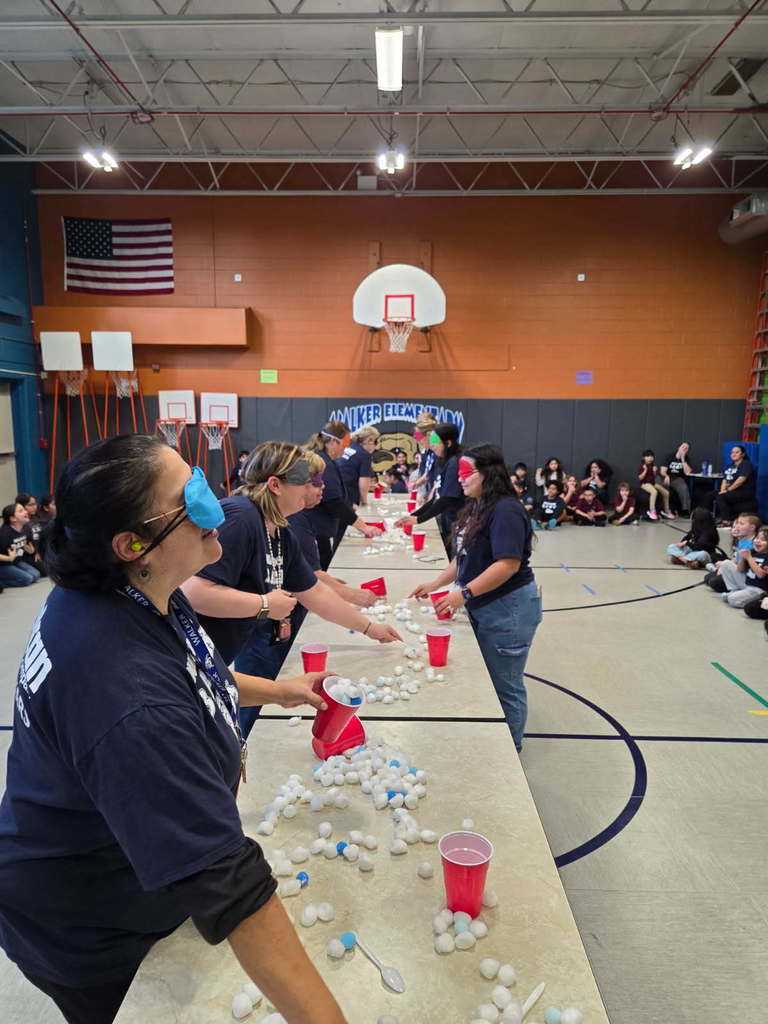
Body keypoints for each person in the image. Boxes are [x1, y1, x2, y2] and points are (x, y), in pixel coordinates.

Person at [0, 434, 347, 1024]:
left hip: (129, 865)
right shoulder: (125, 691)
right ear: (133, 544)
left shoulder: (134, 591)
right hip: (88, 924)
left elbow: (190, 671)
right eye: (189, 498)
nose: (214, 505)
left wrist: (280, 690)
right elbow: (233, 887)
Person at [180, 442, 400, 735]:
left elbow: (314, 592)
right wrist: (264, 605)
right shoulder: (241, 516)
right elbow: (192, 591)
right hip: (187, 662)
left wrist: (370, 628)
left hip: (219, 655)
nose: (314, 488)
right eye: (307, 482)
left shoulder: (279, 530)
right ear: (276, 485)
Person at [409, 445, 541, 753]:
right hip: (485, 603)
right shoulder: (478, 504)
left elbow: (507, 564)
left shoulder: (506, 510)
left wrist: (464, 593)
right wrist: (435, 583)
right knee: (489, 679)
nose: (461, 479)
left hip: (509, 608)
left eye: (467, 473)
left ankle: (510, 750)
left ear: (487, 474)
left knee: (505, 684)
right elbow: (464, 555)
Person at [302, 421, 381, 570]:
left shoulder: (326, 459)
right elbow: (333, 502)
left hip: (315, 526)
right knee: (320, 569)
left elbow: (333, 495)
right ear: (332, 441)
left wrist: (349, 505)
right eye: (345, 443)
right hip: (312, 527)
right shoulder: (322, 462)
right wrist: (364, 527)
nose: (346, 447)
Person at [394, 423, 464, 549]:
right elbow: (437, 497)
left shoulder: (454, 462)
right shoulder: (445, 460)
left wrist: (418, 519)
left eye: (435, 441)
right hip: (450, 516)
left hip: (460, 519)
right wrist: (414, 516)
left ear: (448, 443)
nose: (432, 445)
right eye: (431, 441)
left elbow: (446, 499)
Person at [704, 513, 761, 592]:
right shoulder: (742, 539)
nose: (737, 526)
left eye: (741, 524)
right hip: (736, 568)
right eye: (738, 523)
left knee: (714, 582)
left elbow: (744, 568)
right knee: (707, 578)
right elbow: (736, 557)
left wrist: (726, 567)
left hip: (744, 575)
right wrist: (724, 566)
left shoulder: (755, 545)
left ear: (752, 527)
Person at [715, 526, 768, 607]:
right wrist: (743, 558)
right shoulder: (752, 552)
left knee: (732, 599)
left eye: (763, 540)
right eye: (757, 538)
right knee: (726, 563)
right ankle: (735, 590)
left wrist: (749, 558)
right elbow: (740, 569)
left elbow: (761, 575)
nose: (757, 541)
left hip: (758, 589)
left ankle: (758, 600)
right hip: (747, 582)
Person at [335, 425, 379, 512]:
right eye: (375, 442)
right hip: (348, 496)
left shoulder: (348, 447)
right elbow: (363, 481)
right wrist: (364, 502)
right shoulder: (365, 455)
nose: (376, 446)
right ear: (369, 440)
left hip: (337, 492)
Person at [0, 502, 40, 588]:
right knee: (27, 579)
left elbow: (29, 546)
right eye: (21, 511)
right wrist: (8, 558)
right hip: (3, 565)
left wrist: (31, 551)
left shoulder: (26, 527)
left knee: (36, 575)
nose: (26, 512)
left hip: (16, 561)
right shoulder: (4, 533)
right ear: (13, 518)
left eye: (24, 509)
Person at [715, 444, 757, 525]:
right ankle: (708, 517)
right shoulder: (729, 466)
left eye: (737, 452)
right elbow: (725, 479)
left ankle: (726, 521)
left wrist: (727, 490)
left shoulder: (746, 464)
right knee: (711, 495)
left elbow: (741, 480)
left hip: (743, 492)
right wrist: (722, 490)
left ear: (743, 454)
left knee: (721, 497)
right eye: (732, 452)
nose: (733, 454)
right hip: (731, 491)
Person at [409, 413, 438, 501]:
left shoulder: (436, 442)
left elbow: (434, 444)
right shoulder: (426, 447)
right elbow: (427, 473)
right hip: (427, 480)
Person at [637, 449, 673, 520]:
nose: (650, 458)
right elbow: (640, 478)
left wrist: (654, 472)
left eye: (651, 456)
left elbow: (652, 477)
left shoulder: (652, 465)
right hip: (644, 484)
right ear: (644, 458)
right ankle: (652, 511)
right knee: (654, 492)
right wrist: (645, 470)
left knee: (666, 492)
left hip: (652, 483)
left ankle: (666, 510)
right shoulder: (642, 466)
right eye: (648, 456)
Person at [15, 493, 46, 574]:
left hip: (42, 551)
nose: (34, 507)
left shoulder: (38, 518)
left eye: (35, 504)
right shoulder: (19, 522)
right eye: (30, 505)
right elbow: (22, 543)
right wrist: (35, 552)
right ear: (21, 506)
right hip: (28, 555)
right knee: (46, 570)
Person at [660, 443, 693, 516]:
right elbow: (662, 471)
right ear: (679, 447)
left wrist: (683, 459)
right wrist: (666, 476)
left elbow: (687, 472)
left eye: (686, 448)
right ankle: (663, 509)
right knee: (662, 488)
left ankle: (685, 510)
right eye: (683, 447)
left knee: (683, 488)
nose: (684, 449)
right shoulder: (669, 456)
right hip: (666, 477)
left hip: (677, 478)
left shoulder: (686, 458)